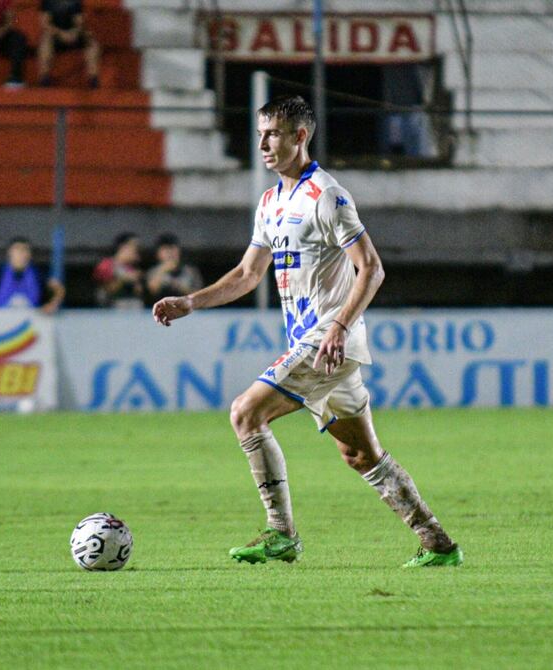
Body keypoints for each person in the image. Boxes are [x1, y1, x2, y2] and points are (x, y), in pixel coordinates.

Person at [153, 96, 462, 568]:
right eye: (259, 133)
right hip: (317, 345)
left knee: (245, 413)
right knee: (361, 456)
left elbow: (371, 270)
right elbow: (246, 274)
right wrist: (191, 301)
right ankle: (438, 543)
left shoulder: (327, 195)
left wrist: (338, 324)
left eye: (272, 133)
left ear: (300, 136)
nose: (262, 143)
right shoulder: (271, 201)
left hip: (328, 342)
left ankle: (281, 534)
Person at [0, 237, 65, 315]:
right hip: (3, 321)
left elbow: (58, 288)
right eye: (17, 249)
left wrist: (53, 304)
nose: (21, 253)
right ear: (10, 252)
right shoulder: (0, 270)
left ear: (29, 254)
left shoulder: (36, 272)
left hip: (31, 324)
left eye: (25, 250)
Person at [37, 0, 100, 89]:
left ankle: (93, 78)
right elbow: (45, 24)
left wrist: (74, 32)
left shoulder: (76, 2)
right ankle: (44, 78)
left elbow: (80, 22)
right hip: (55, 34)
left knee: (91, 41)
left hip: (73, 34)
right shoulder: (47, 2)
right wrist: (61, 33)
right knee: (45, 40)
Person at [145, 233, 202, 305]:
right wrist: (162, 270)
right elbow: (151, 291)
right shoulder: (153, 271)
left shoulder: (190, 271)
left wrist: (181, 288)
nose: (170, 253)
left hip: (185, 309)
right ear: (158, 253)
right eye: (165, 250)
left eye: (172, 249)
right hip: (159, 310)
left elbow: (199, 295)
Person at [92, 232, 144, 309]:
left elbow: (139, 292)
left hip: (131, 312)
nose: (137, 251)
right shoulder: (106, 264)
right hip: (108, 313)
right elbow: (107, 289)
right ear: (123, 247)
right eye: (134, 247)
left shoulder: (131, 269)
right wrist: (124, 279)